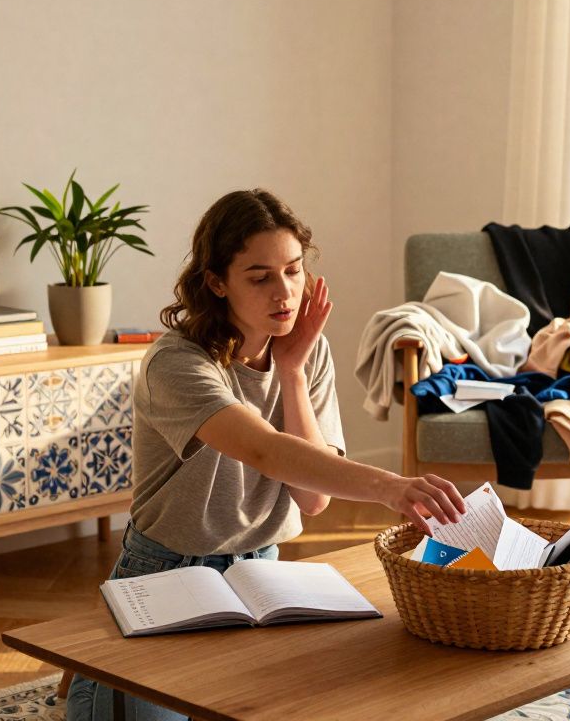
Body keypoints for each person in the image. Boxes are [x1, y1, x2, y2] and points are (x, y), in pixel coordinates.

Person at [67, 189, 467, 721]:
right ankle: (89, 674)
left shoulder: (307, 351)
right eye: (260, 278)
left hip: (263, 571)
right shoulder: (176, 362)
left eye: (294, 271)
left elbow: (313, 499)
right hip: (167, 572)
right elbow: (263, 449)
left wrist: (294, 372)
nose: (285, 293)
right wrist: (391, 487)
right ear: (217, 282)